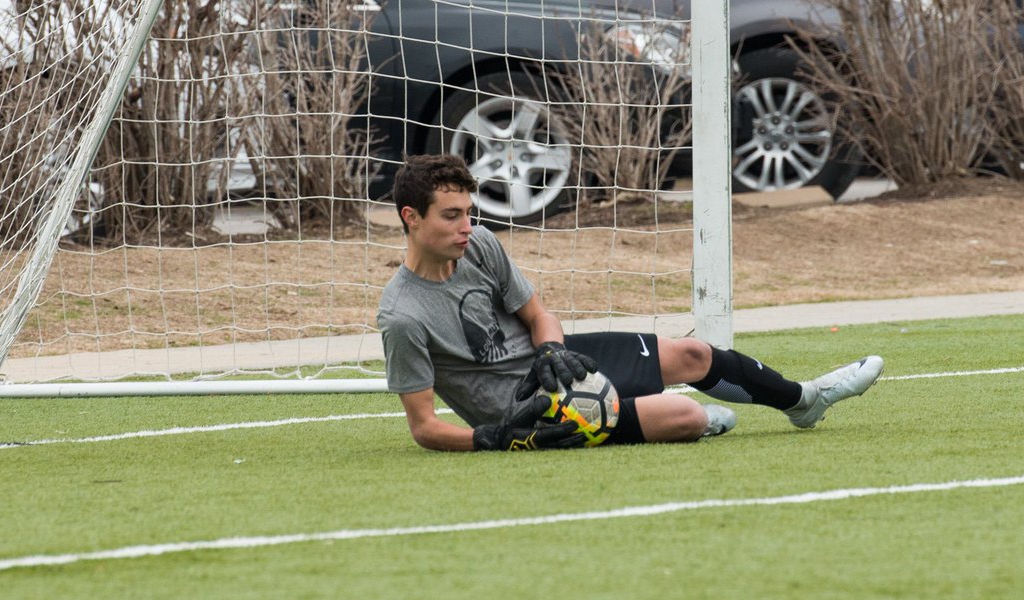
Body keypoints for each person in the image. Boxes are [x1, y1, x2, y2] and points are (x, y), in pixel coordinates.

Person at [376, 154, 884, 452]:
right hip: (529, 410)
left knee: (693, 355)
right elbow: (425, 427)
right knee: (684, 415)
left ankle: (804, 401)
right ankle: (696, 420)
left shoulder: (480, 244)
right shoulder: (402, 317)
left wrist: (552, 350)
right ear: (411, 217)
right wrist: (495, 437)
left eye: (469, 212)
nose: (466, 226)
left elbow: (537, 315)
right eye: (451, 216)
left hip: (556, 365)